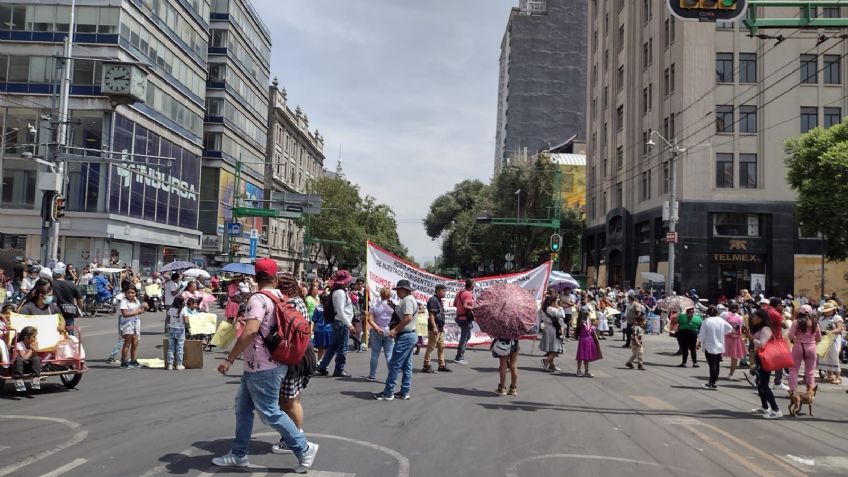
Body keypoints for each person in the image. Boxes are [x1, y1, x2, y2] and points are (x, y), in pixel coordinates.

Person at [213, 258, 318, 473]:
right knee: (243, 409)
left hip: (262, 366)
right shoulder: (280, 296)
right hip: (267, 363)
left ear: (255, 276)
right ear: (275, 277)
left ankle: (303, 448)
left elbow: (251, 331)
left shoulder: (258, 299)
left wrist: (229, 358)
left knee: (271, 412)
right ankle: (239, 454)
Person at [272, 273, 317, 455]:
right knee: (293, 399)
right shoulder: (298, 300)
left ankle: (294, 440)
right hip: (303, 352)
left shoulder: (291, 303)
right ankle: (292, 437)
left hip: (296, 354)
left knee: (288, 401)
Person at [375, 279, 417, 401]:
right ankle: (404, 391)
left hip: (405, 335)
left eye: (399, 290)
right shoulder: (410, 299)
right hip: (410, 334)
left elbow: (408, 317)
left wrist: (395, 330)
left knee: (394, 364)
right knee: (407, 365)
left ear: (405, 290)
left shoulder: (407, 300)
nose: (397, 292)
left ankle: (388, 392)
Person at [743, 309, 783, 419]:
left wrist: (751, 338)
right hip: (759, 358)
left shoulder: (766, 329)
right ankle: (765, 407)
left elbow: (762, 344)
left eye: (755, 316)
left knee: (764, 385)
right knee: (759, 384)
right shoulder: (759, 328)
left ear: (761, 318)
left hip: (765, 358)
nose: (753, 318)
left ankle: (776, 409)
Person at [316, 270, 355, 377]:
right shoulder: (340, 293)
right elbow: (340, 310)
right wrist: (349, 324)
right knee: (343, 348)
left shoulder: (339, 292)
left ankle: (323, 366)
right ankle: (339, 368)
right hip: (342, 322)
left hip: (340, 322)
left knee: (333, 346)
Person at [788, 304, 821, 394]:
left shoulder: (796, 322)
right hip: (811, 347)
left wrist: (794, 339)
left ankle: (793, 391)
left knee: (794, 370)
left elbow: (790, 335)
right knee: (810, 371)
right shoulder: (815, 323)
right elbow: (819, 338)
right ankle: (810, 391)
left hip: (798, 346)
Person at [699, 305, 733, 390]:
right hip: (719, 345)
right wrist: (722, 333)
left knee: (712, 365)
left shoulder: (706, 321)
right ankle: (713, 381)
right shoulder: (721, 320)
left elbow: (702, 334)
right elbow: (730, 328)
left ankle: (712, 383)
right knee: (716, 364)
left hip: (709, 345)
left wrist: (700, 341)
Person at [366, 287, 395, 380]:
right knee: (389, 354)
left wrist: (377, 328)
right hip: (389, 330)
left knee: (375, 354)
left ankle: (372, 375)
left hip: (377, 329)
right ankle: (392, 376)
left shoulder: (374, 305)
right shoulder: (393, 305)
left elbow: (370, 319)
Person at [423, 284, 452, 373]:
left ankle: (441, 365)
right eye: (443, 291)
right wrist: (434, 327)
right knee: (431, 347)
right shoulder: (433, 300)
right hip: (434, 328)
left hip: (440, 328)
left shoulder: (439, 300)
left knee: (441, 347)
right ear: (438, 291)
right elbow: (431, 315)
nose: (444, 293)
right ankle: (426, 366)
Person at [119, 286, 147, 369]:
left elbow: (140, 311)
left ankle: (133, 360)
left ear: (135, 293)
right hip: (127, 324)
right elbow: (125, 314)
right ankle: (123, 361)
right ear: (125, 293)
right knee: (127, 343)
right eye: (129, 293)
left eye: (132, 293)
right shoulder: (124, 301)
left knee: (135, 343)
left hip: (136, 323)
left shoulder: (136, 301)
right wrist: (136, 311)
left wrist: (145, 307)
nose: (131, 294)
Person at [816, 300, 844, 385]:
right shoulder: (821, 318)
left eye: (829, 311)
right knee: (825, 356)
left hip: (834, 339)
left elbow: (840, 329)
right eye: (826, 311)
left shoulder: (837, 317)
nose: (827, 312)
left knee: (834, 355)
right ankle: (830, 375)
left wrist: (829, 332)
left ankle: (838, 376)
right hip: (824, 338)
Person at [51, 269, 84, 336]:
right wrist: (79, 309)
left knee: (55, 331)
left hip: (54, 311)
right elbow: (80, 300)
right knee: (69, 331)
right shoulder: (72, 285)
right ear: (64, 275)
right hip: (69, 312)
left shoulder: (50, 284)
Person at [539, 294, 565, 373]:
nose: (557, 303)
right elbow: (562, 315)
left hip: (548, 328)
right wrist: (560, 308)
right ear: (552, 302)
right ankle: (546, 361)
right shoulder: (551, 309)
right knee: (556, 349)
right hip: (553, 329)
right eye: (556, 301)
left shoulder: (544, 308)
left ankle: (551, 365)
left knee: (551, 348)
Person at [453, 279, 475, 364]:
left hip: (459, 317)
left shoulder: (460, 292)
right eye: (473, 285)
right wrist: (474, 308)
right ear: (471, 286)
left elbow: (455, 304)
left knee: (467, 336)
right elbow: (466, 306)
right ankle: (459, 357)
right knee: (464, 338)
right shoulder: (468, 294)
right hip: (465, 319)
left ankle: (460, 354)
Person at [722, 303, 746, 380]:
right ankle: (731, 374)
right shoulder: (740, 317)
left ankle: (715, 371)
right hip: (736, 338)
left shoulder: (725, 314)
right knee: (734, 357)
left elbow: (721, 324)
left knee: (718, 354)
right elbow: (741, 328)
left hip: (726, 337)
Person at [13, 326, 41, 392]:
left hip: (29, 367)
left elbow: (34, 357)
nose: (35, 338)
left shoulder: (33, 344)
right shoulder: (19, 344)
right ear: (26, 338)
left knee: (37, 358)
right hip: (20, 367)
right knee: (19, 359)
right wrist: (31, 349)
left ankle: (35, 378)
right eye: (33, 337)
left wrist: (35, 350)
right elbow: (24, 358)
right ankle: (19, 380)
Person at [575, 313, 601, 377]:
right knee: (582, 356)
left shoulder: (583, 323)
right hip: (585, 340)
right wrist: (595, 325)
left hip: (587, 340)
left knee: (586, 356)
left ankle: (586, 371)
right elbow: (589, 330)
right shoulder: (583, 324)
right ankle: (579, 370)